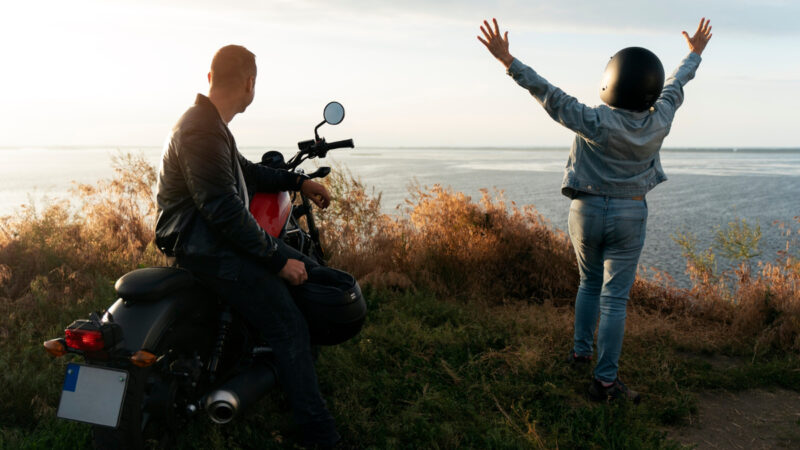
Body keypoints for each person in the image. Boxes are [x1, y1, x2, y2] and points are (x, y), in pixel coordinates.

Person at [478, 18, 712, 402]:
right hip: (630, 214)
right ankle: (605, 382)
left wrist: (507, 60)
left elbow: (548, 94)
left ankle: (580, 351)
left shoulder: (594, 120)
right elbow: (675, 84)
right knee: (614, 299)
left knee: (588, 282)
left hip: (585, 212)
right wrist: (695, 53)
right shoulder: (661, 118)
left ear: (612, 80)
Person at [155, 44, 340, 446]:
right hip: (209, 249)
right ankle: (320, 435)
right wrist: (276, 260)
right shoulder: (202, 128)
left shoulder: (209, 124)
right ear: (250, 83)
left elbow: (246, 171)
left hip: (212, 243)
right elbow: (222, 210)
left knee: (324, 280)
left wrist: (298, 181)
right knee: (288, 324)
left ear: (210, 77)